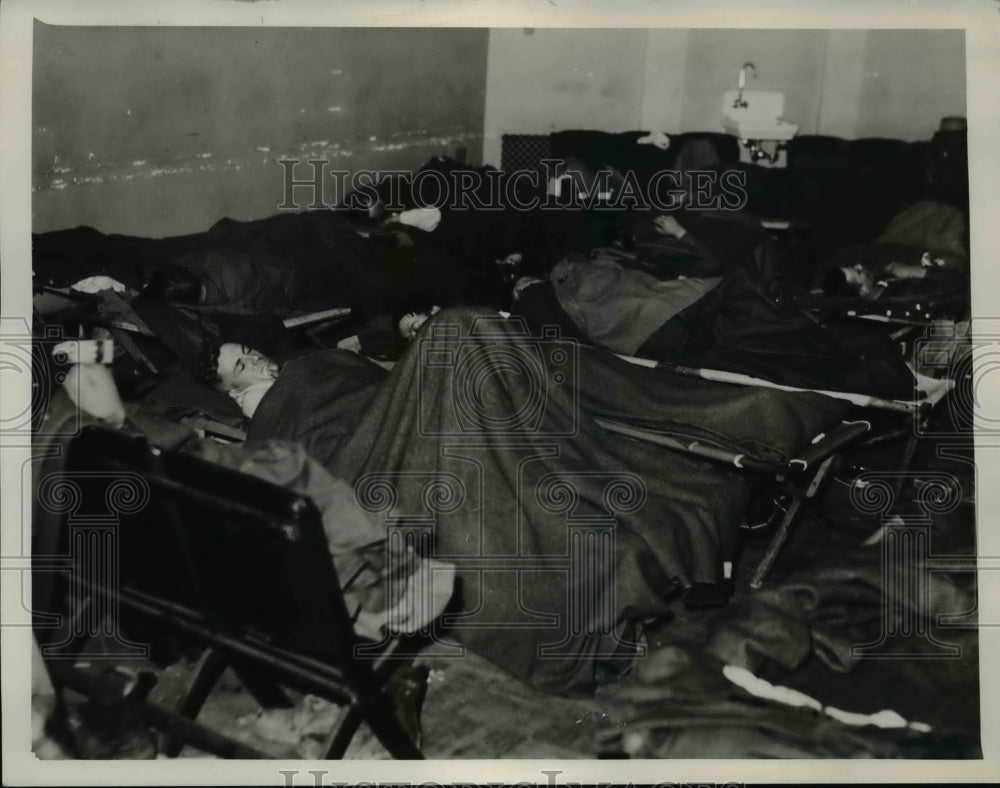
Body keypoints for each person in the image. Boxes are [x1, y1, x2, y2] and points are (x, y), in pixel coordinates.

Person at [191, 307, 846, 693]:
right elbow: (318, 456)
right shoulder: (273, 411)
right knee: (462, 337)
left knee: (545, 372)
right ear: (227, 390)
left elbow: (380, 378)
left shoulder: (318, 361)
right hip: (391, 445)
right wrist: (271, 395)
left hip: (420, 409)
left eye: (249, 350)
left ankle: (767, 414)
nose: (251, 360)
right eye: (236, 366)